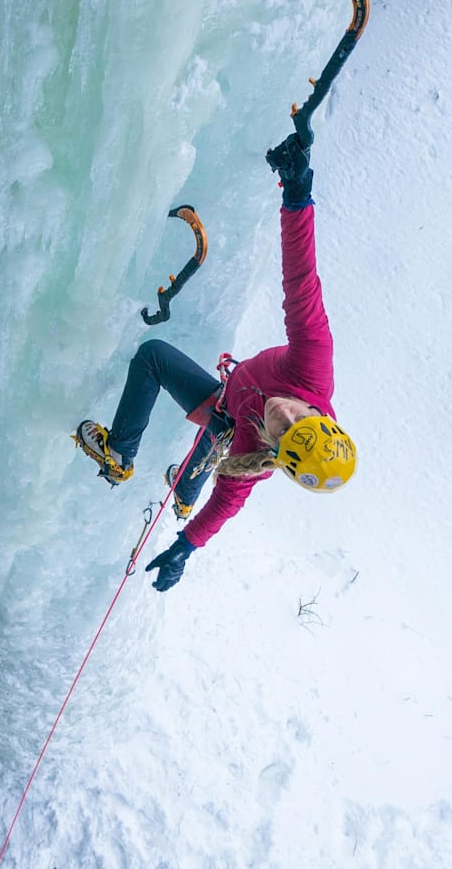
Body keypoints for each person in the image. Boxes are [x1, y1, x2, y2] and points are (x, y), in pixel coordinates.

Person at [75, 130, 356, 592]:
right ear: (318, 412)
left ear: (278, 453)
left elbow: (228, 502)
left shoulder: (258, 454)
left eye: (284, 433)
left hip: (226, 413)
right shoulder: (311, 364)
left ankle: (136, 464)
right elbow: (301, 281)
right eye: (300, 418)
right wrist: (297, 197)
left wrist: (186, 546)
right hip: (225, 404)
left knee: (183, 400)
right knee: (174, 390)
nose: (282, 414)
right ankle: (157, 476)